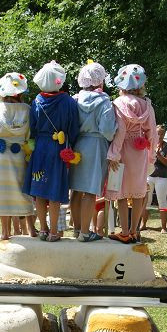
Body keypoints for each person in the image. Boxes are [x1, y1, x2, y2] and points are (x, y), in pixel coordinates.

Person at [23, 61, 80, 242]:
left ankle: (43, 230)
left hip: (40, 148)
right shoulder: (68, 101)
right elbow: (74, 129)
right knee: (54, 190)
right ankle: (54, 231)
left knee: (39, 189)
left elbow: (32, 128)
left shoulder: (36, 102)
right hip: (58, 148)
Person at [107, 64, 157, 244]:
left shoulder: (119, 103)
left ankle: (125, 231)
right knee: (137, 192)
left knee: (120, 191)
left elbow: (119, 131)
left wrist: (113, 154)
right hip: (140, 149)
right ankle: (135, 231)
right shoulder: (147, 105)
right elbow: (152, 133)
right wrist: (151, 156)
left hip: (122, 149)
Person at [0, 73, 36, 239]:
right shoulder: (28, 109)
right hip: (20, 154)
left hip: (1, 157)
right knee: (23, 191)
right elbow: (31, 134)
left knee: (2, 192)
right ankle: (31, 229)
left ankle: (5, 232)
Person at [70, 61, 116, 242]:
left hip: (78, 145)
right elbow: (107, 129)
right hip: (96, 145)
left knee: (75, 189)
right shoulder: (104, 101)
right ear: (100, 80)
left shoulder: (75, 99)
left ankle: (75, 229)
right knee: (90, 191)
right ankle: (85, 233)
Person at [145, 125, 167, 232]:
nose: (160, 136)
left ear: (164, 134)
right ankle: (143, 224)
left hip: (162, 177)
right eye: (157, 133)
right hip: (149, 176)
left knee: (162, 202)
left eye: (162, 133)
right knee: (146, 201)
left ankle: (163, 227)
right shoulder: (150, 144)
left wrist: (158, 154)